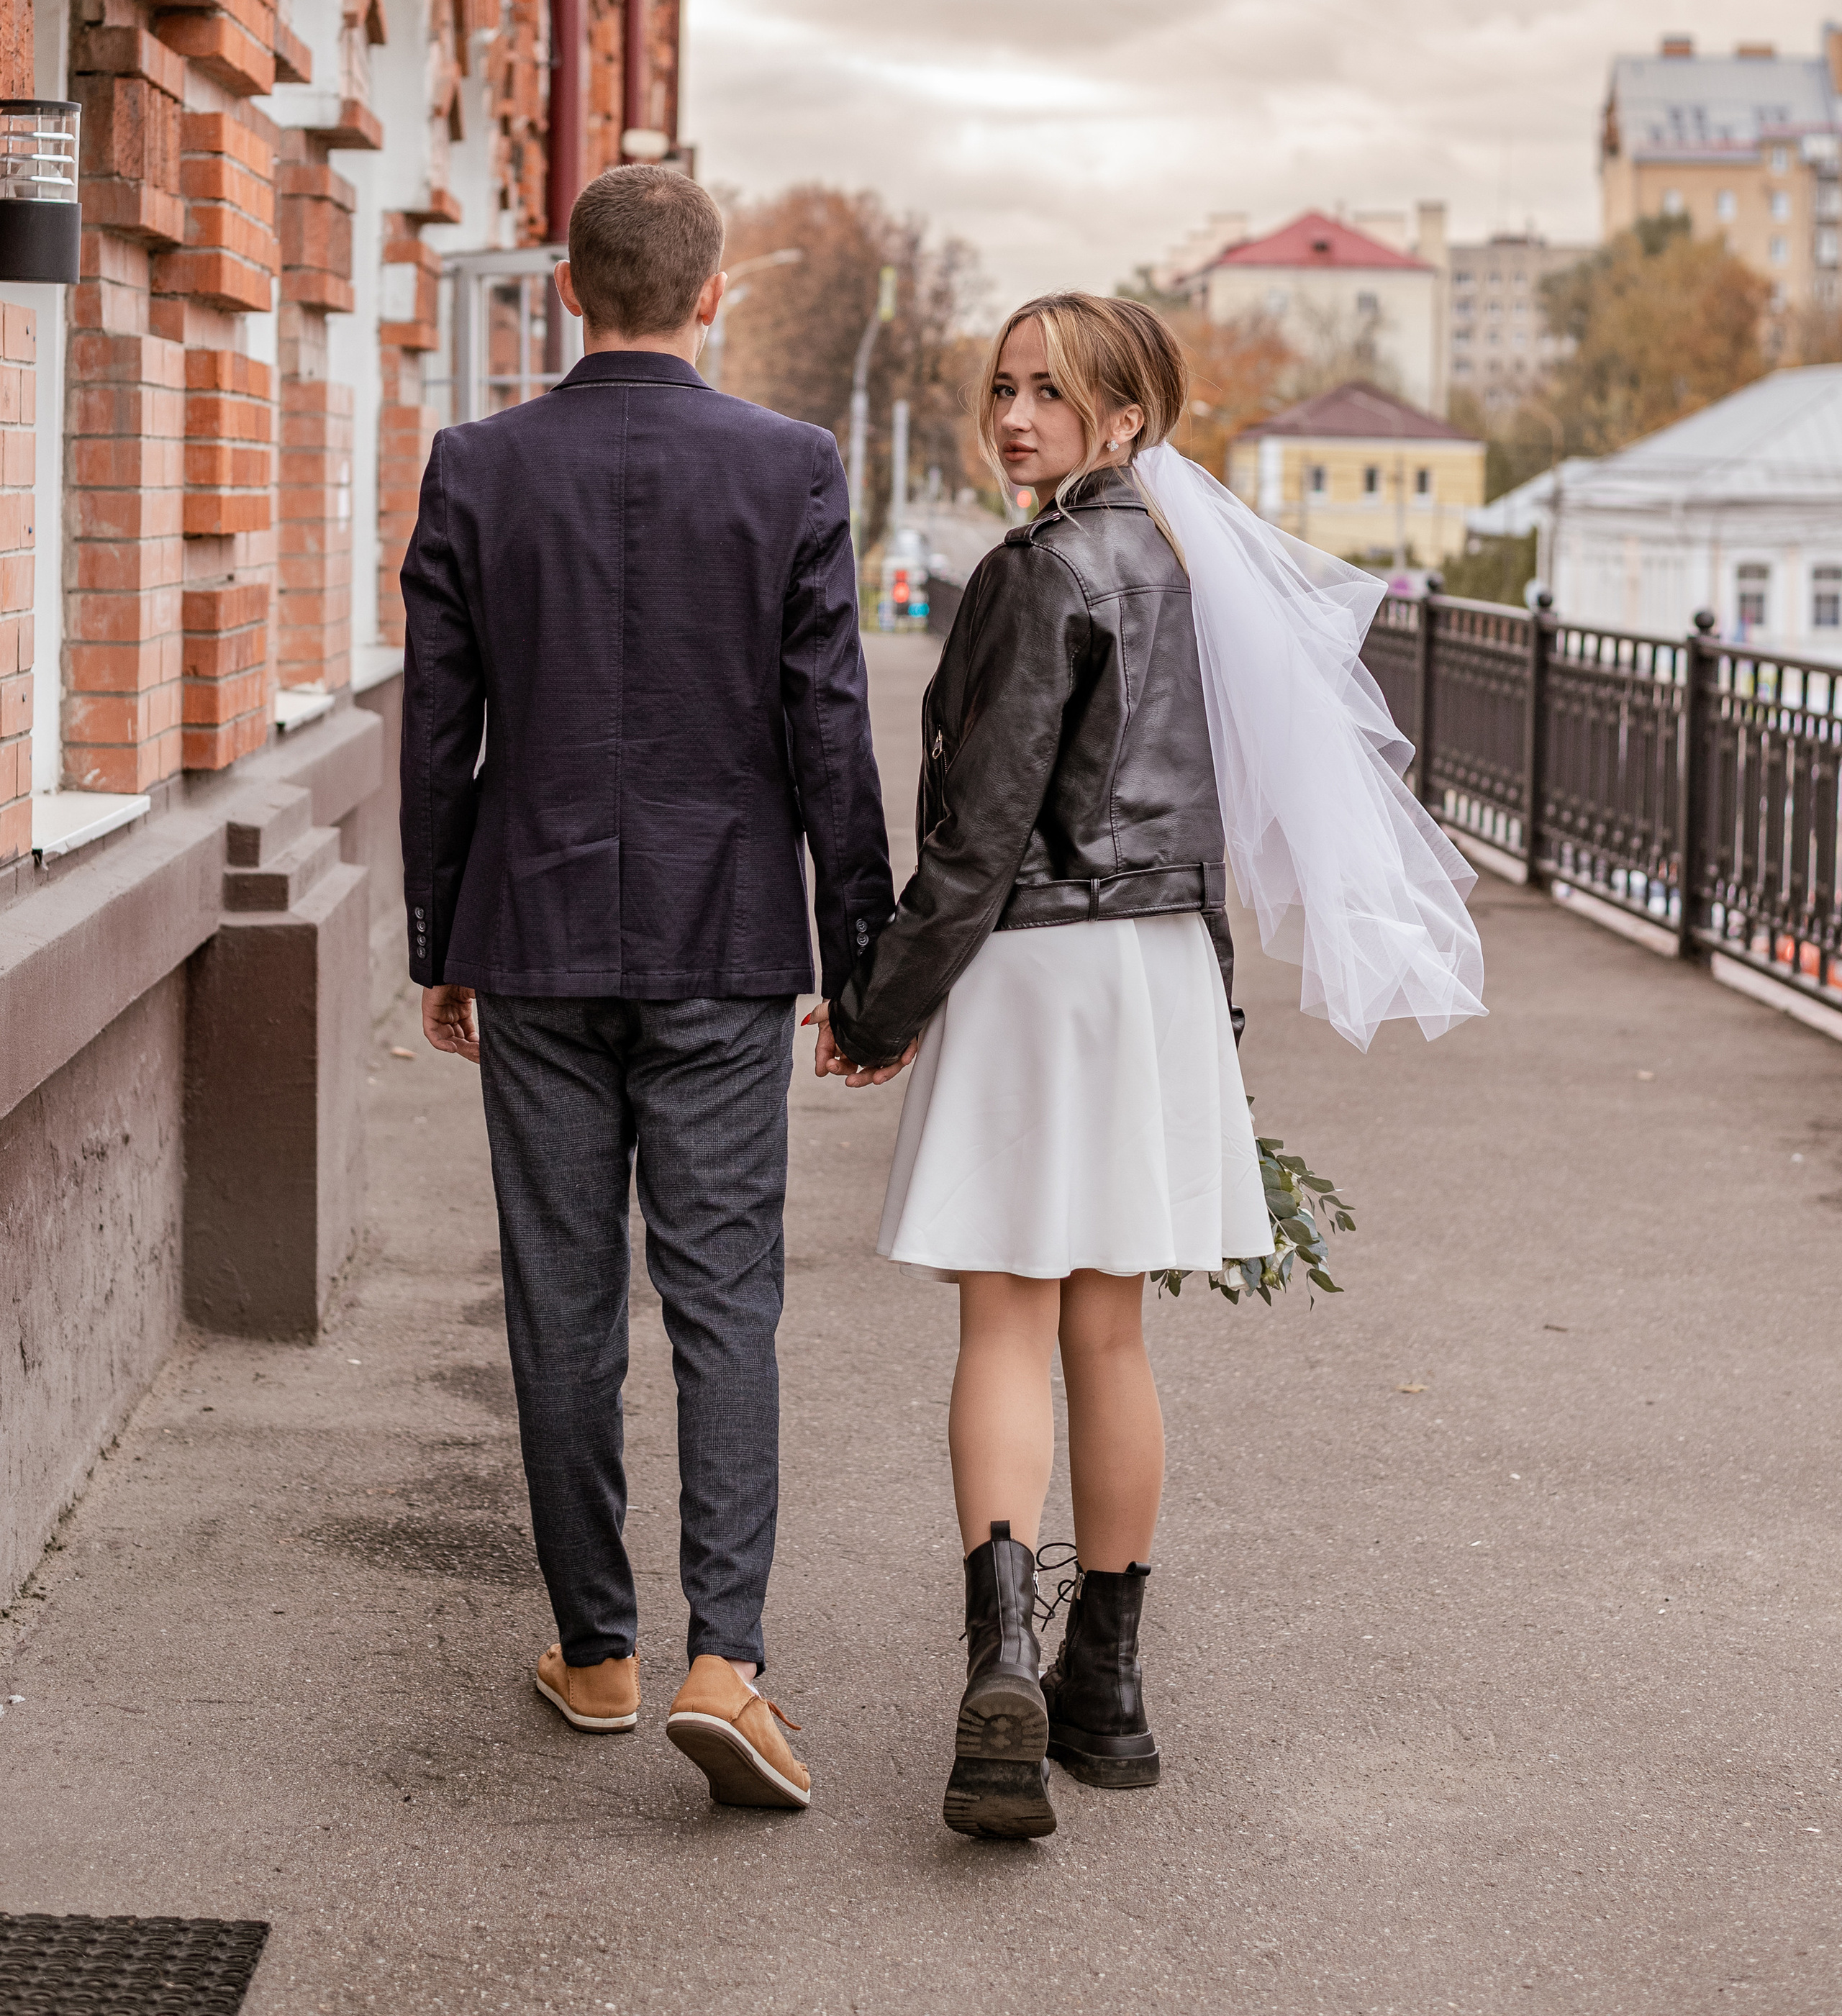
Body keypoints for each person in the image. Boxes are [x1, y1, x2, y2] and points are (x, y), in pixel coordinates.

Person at [815, 292, 1484, 1842]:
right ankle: (1103, 1697)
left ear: (1125, 419)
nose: (1014, 417)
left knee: (1004, 1314)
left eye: (1051, 394)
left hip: (1037, 966)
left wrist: (873, 1007)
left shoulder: (1036, 570)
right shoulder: (1200, 576)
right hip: (1163, 968)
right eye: (1001, 389)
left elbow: (978, 834)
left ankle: (1001, 1657)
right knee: (1107, 1336)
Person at [401, 163, 895, 1816]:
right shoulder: (790, 466)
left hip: (531, 939)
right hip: (725, 941)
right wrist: (865, 961)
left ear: (563, 290)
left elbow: (438, 731)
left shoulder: (477, 465)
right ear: (710, 300)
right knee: (723, 1297)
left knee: (559, 1302)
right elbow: (827, 723)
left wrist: (437, 936)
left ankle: (597, 1653)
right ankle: (725, 1663)